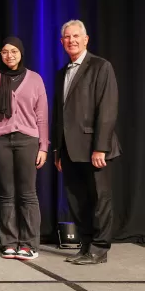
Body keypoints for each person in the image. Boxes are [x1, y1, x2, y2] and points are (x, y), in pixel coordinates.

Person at [52, 19, 120, 265]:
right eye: (67, 37)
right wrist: (57, 149)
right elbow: (59, 114)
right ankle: (85, 244)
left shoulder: (101, 66)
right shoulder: (62, 73)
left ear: (86, 39)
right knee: (77, 200)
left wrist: (101, 147)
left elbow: (108, 108)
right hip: (69, 149)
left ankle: (99, 248)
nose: (71, 40)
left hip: (94, 147)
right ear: (62, 42)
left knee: (100, 199)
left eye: (76, 36)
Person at [0, 37, 49, 260]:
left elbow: (42, 115)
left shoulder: (35, 79)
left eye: (13, 51)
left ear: (21, 53)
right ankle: (9, 242)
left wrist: (44, 146)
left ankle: (29, 244)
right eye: (4, 51)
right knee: (6, 194)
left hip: (28, 140)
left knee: (28, 193)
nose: (9, 55)